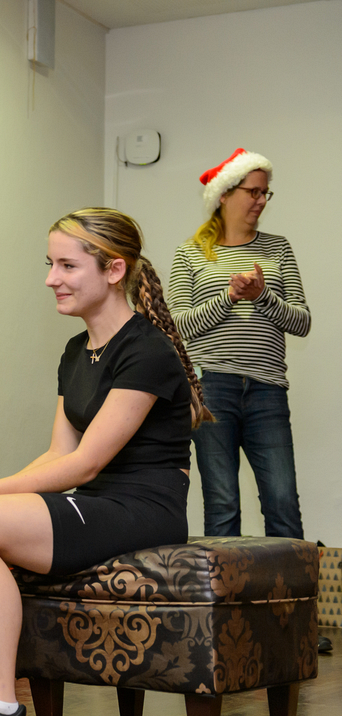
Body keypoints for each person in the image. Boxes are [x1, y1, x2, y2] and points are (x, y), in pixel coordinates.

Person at [0, 208, 212, 716]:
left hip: (144, 509)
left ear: (114, 270)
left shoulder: (147, 350)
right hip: (97, 503)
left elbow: (85, 463)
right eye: (50, 264)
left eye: (67, 266)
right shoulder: (75, 352)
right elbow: (59, 452)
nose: (50, 279)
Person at [167, 149, 311, 541]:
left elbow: (302, 322)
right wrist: (229, 296)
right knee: (222, 502)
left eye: (266, 193)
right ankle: (224, 584)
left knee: (282, 502)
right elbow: (177, 326)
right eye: (253, 192)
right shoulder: (190, 253)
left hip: (267, 388)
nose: (261, 200)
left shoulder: (278, 248)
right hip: (210, 389)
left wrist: (262, 296)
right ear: (225, 194)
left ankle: (291, 584)